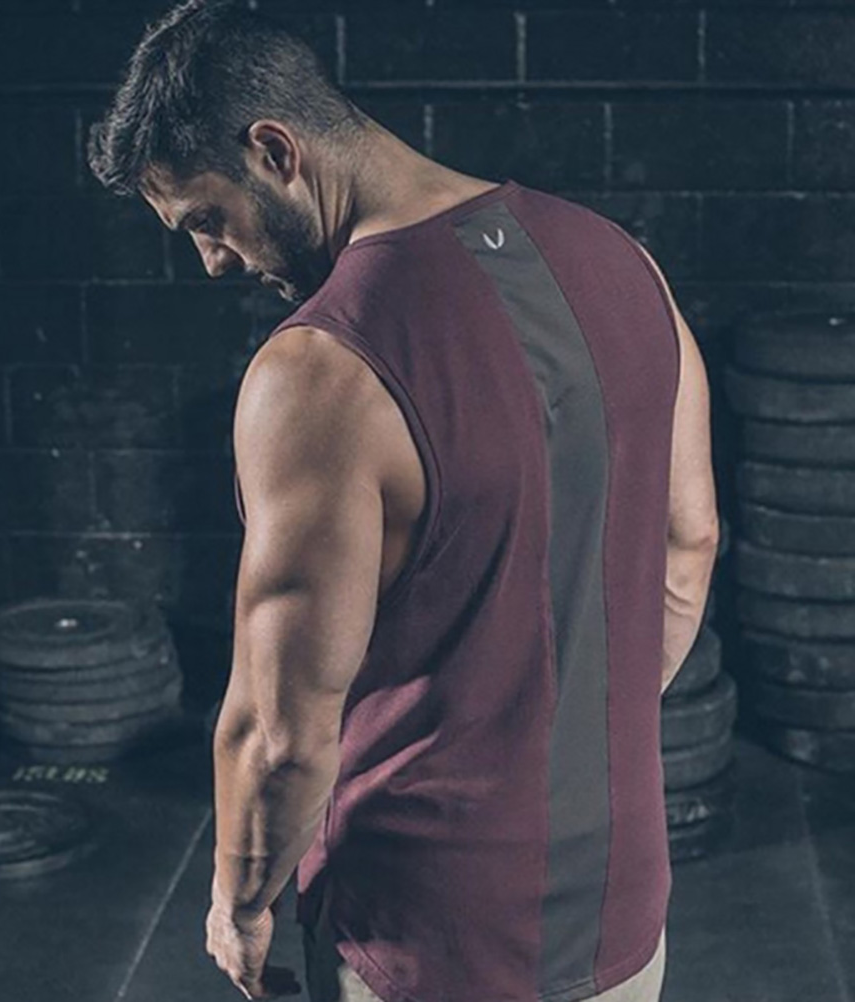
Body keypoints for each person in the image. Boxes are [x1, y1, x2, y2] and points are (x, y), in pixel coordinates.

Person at [88, 2, 720, 1000]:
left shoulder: (319, 374)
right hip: (622, 904)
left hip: (423, 937)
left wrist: (239, 905)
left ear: (274, 152)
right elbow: (689, 546)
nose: (213, 260)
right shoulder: (622, 260)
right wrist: (568, 743)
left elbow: (280, 734)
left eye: (207, 219)